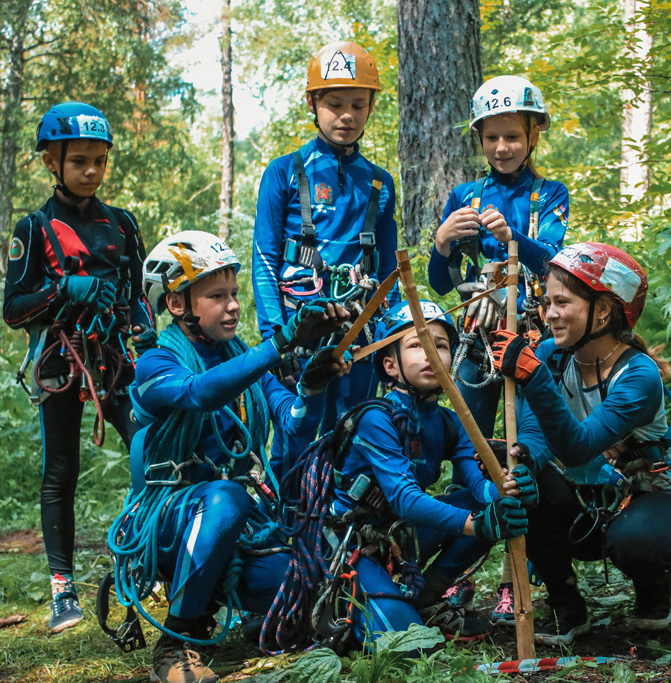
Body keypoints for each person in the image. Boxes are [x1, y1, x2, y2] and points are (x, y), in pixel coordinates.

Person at [107, 231, 350, 683]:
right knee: (225, 497)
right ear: (178, 304)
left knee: (305, 583)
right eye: (216, 296)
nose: (234, 305)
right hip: (170, 524)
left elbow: (294, 420)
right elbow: (199, 393)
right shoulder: (155, 364)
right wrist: (280, 346)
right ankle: (176, 641)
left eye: (234, 294)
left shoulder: (242, 359)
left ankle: (228, 606)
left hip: (235, 527)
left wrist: (313, 385)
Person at [266, 300, 533, 650]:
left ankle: (429, 594)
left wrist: (504, 493)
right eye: (417, 345)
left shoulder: (451, 422)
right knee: (406, 641)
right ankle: (345, 597)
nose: (430, 354)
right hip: (352, 543)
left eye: (440, 345)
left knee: (488, 509)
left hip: (400, 536)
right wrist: (476, 524)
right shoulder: (376, 419)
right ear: (390, 365)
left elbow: (477, 485)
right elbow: (405, 499)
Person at [490, 242, 671, 645]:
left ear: (603, 311)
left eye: (562, 302)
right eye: (546, 301)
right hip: (591, 497)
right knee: (524, 488)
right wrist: (522, 457)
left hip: (652, 494)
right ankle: (566, 607)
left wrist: (533, 378)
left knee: (638, 540)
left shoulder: (638, 376)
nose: (548, 314)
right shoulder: (554, 357)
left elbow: (578, 446)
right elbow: (539, 435)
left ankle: (653, 593)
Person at [2, 102, 154, 634]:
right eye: (80, 161)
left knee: (152, 449)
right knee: (61, 473)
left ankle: (146, 559)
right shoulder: (35, 227)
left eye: (99, 161)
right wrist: (63, 288)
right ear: (52, 161)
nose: (91, 171)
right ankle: (62, 591)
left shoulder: (122, 225)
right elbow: (13, 307)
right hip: (59, 363)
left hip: (116, 360)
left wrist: (146, 332)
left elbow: (138, 297)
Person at [426, 74, 569, 624]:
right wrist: (442, 242)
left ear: (532, 136)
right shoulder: (465, 196)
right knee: (470, 450)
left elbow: (552, 261)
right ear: (480, 140)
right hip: (475, 342)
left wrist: (514, 236)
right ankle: (457, 568)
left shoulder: (547, 194)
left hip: (528, 342)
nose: (502, 148)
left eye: (512, 136)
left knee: (524, 453)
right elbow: (442, 281)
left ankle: (521, 578)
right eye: (491, 139)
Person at [252, 40, 398, 480]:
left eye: (358, 103)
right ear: (313, 103)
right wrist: (275, 336)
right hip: (300, 328)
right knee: (296, 435)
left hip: (360, 328)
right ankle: (284, 534)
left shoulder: (379, 183)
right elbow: (264, 257)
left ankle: (338, 535)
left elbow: (388, 270)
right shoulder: (284, 172)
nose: (347, 115)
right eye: (334, 104)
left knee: (351, 434)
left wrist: (390, 336)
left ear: (371, 106)